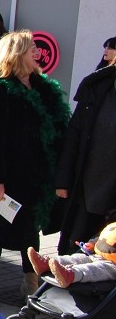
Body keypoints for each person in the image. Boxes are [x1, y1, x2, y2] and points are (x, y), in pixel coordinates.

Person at [0, 31, 70, 297]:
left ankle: (31, 281)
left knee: (29, 230)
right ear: (16, 55)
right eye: (32, 49)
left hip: (35, 176)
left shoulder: (43, 89)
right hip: (5, 178)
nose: (37, 53)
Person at [53, 60, 116, 254]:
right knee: (76, 247)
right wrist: (63, 180)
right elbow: (74, 136)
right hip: (88, 187)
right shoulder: (97, 87)